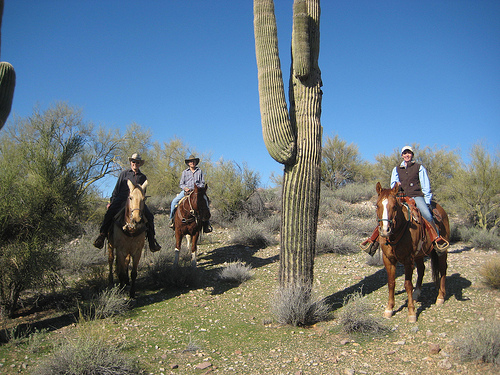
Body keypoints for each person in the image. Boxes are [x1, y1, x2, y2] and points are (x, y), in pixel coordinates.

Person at [360, 145, 448, 255]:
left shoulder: (419, 167)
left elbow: (425, 185)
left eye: (409, 153)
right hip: (400, 197)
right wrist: (397, 185)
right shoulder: (396, 169)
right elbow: (393, 184)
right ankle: (373, 243)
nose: (407, 155)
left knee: (427, 215)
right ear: (402, 155)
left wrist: (427, 201)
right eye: (405, 153)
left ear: (412, 155)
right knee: (386, 214)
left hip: (416, 196)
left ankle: (436, 241)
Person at [93, 153, 161, 252]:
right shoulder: (124, 174)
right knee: (110, 213)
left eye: (137, 162)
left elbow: (143, 193)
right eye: (133, 162)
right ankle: (102, 236)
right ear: (130, 162)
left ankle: (152, 241)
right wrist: (112, 202)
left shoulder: (143, 177)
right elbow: (116, 190)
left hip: (136, 201)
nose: (135, 164)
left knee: (150, 216)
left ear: (139, 164)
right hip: (122, 199)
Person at [169, 155, 212, 233]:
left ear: (196, 162)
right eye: (191, 161)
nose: (192, 163)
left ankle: (206, 224)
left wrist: (198, 188)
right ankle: (172, 220)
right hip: (186, 192)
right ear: (188, 163)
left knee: (205, 204)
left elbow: (202, 183)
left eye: (194, 161)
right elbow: (181, 184)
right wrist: (185, 188)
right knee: (174, 202)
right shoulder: (185, 172)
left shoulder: (199, 171)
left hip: (197, 192)